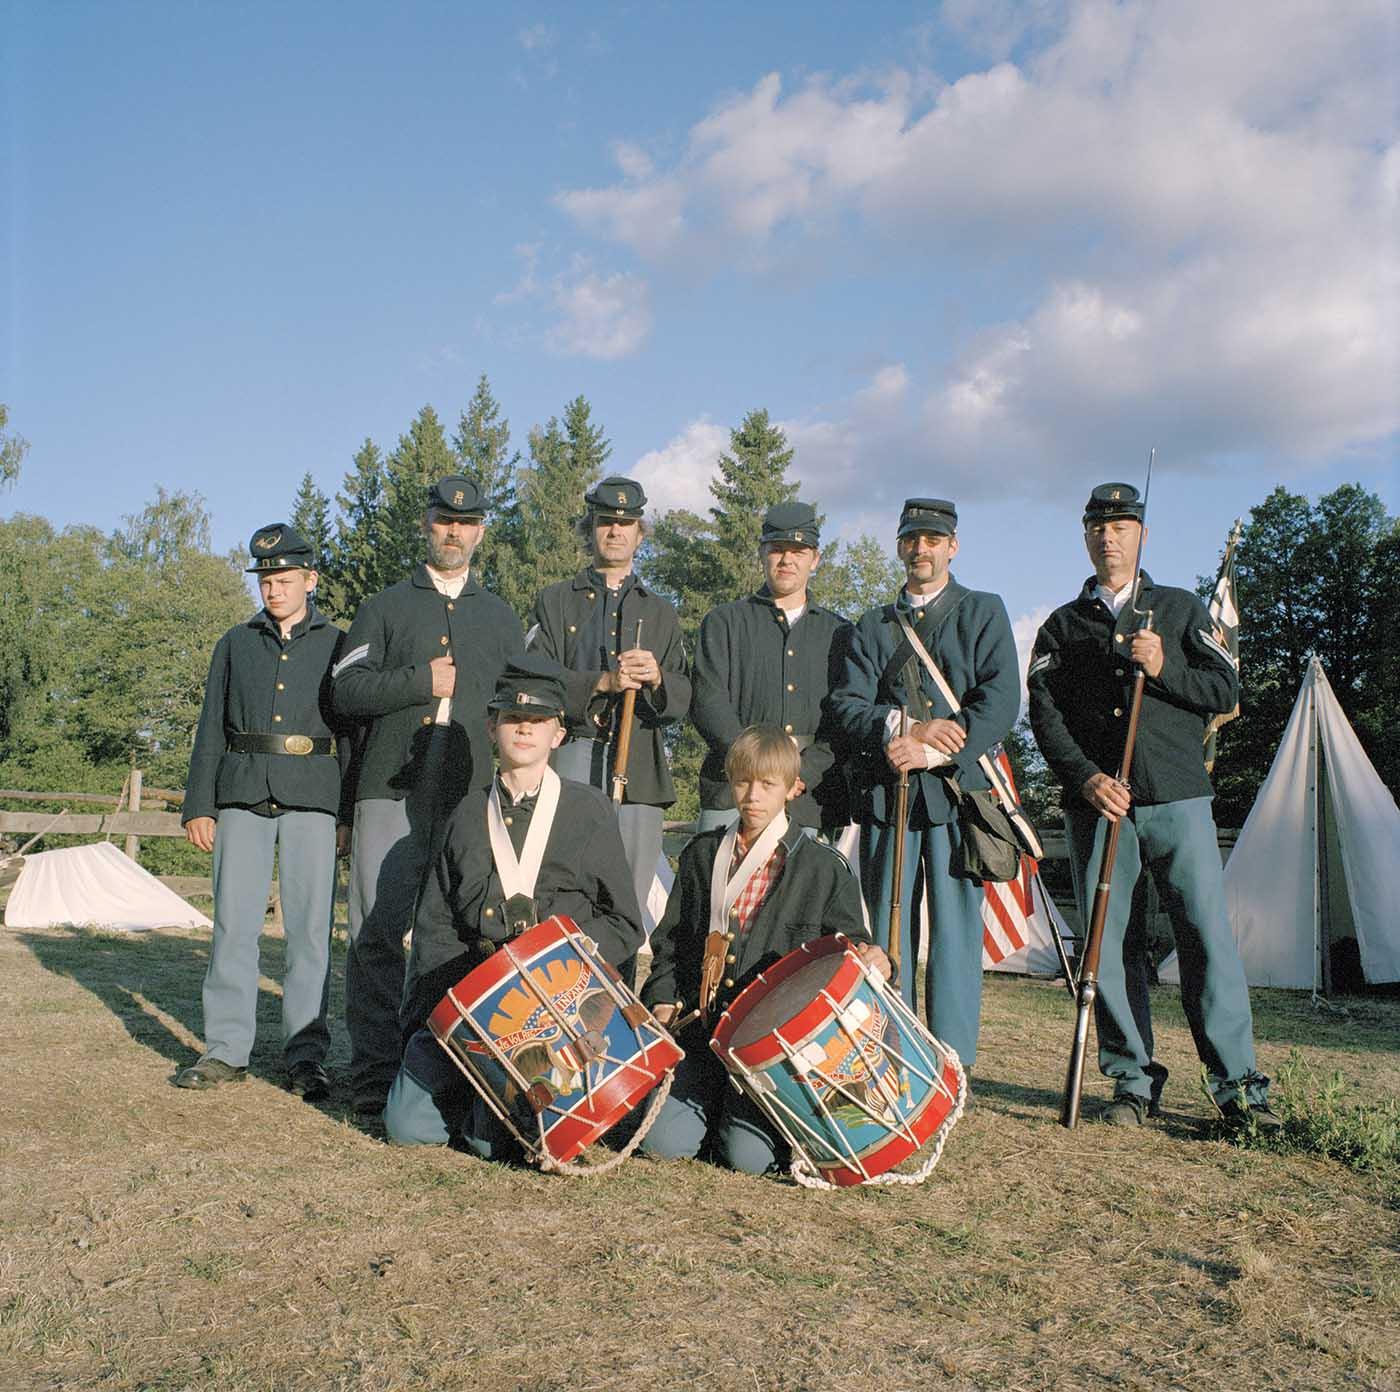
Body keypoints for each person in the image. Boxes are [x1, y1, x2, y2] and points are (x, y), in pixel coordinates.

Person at [1027, 482, 1278, 1130]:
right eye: (1097, 526)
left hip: (1177, 797)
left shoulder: (1180, 608)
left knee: (1206, 938)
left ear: (1141, 534)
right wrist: (1085, 778)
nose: (1108, 537)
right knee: (1109, 948)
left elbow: (1225, 689)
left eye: (1121, 526)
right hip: (1099, 807)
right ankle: (1132, 1083)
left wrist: (1165, 666)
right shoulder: (1061, 626)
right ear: (1085, 536)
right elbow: (1045, 716)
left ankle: (1238, 1089)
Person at [384, 655, 644, 1155]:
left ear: (558, 735)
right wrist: (441, 1018)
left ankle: (490, 1114)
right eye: (512, 718)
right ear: (492, 727)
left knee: (493, 1143)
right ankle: (476, 1095)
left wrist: (566, 970)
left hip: (561, 1005)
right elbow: (437, 928)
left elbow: (624, 923)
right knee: (406, 1127)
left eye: (538, 720)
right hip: (483, 1004)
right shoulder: (464, 814)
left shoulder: (589, 811)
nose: (524, 728)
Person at [332, 475, 524, 1119]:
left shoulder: (500, 617)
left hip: (470, 794)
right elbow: (345, 691)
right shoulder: (384, 606)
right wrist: (421, 680)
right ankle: (374, 1071)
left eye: (466, 524)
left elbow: (525, 698)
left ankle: (445, 1070)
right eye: (444, 520)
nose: (454, 532)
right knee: (378, 933)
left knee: (457, 936)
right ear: (427, 524)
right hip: (390, 787)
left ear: (480, 532)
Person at [639, 725, 886, 1174]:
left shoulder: (823, 868)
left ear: (793, 788)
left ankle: (740, 1121)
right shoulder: (701, 855)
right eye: (742, 782)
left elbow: (852, 946)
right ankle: (705, 1104)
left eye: (768, 784)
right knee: (663, 1144)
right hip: (703, 1035)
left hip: (769, 1052)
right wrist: (661, 999)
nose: (752, 796)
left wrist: (877, 957)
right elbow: (672, 942)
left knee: (748, 1159)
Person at [826, 498, 1019, 1070]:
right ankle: (897, 1052)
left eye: (933, 539)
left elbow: (1000, 700)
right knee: (889, 932)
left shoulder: (982, 611)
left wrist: (934, 749)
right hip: (890, 795)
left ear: (952, 546)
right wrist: (905, 728)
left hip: (958, 793)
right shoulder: (872, 625)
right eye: (912, 539)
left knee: (957, 934)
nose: (921, 549)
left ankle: (953, 1062)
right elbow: (846, 704)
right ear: (900, 547)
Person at [177, 523, 353, 1101]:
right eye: (266, 581)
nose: (274, 590)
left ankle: (306, 1057)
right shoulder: (234, 643)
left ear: (311, 579)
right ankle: (225, 1050)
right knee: (233, 926)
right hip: (241, 794)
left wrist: (347, 814)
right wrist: (199, 804)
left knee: (310, 934)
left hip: (314, 797)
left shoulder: (339, 644)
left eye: (285, 580)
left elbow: (352, 736)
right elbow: (210, 727)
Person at [526, 475, 690, 945]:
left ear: (639, 533)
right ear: (590, 528)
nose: (615, 531)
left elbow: (683, 697)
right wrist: (601, 682)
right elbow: (534, 679)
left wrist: (657, 678)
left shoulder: (661, 612)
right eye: (605, 522)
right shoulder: (555, 601)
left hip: (640, 769)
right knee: (561, 890)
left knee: (629, 905)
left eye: (626, 523)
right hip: (572, 755)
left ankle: (619, 992)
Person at [690, 501, 851, 835]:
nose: (787, 560)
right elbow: (708, 702)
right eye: (777, 549)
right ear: (762, 554)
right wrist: (758, 770)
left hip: (809, 795)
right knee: (717, 871)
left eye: (798, 551)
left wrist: (802, 773)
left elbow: (844, 717)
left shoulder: (840, 633)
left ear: (815, 559)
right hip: (733, 789)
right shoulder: (724, 622)